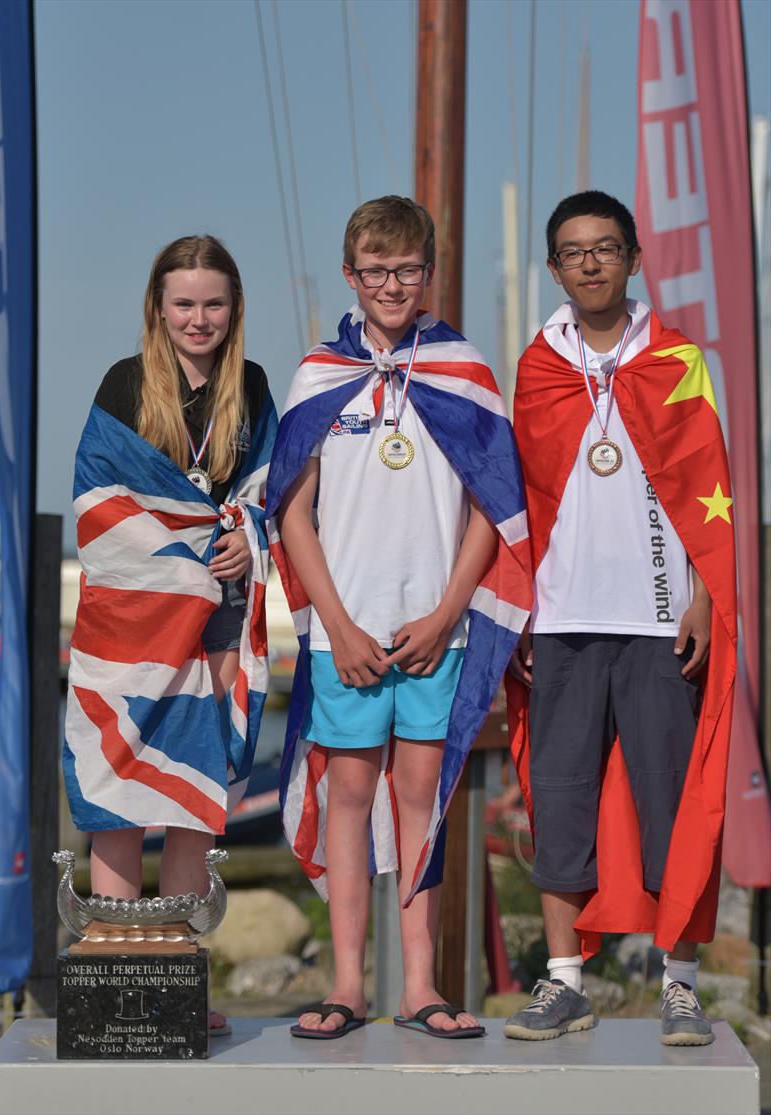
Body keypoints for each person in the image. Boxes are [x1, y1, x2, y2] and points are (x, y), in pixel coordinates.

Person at [266, 196, 531, 1039]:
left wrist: (451, 604)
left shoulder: (463, 369)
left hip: (435, 627)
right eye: (374, 271)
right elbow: (292, 513)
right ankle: (347, 980)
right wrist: (336, 624)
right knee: (348, 793)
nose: (390, 284)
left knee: (423, 792)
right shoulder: (318, 375)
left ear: (427, 275)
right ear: (351, 275)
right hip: (349, 628)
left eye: (406, 271)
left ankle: (420, 982)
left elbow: (494, 502)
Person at [503, 191, 736, 1046]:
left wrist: (707, 593)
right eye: (573, 250)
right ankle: (565, 981)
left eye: (606, 247)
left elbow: (710, 487)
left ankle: (679, 982)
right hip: (561, 615)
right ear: (555, 266)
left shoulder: (679, 359)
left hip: (660, 617)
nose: (590, 262)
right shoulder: (537, 364)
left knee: (670, 803)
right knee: (556, 799)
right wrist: (515, 604)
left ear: (634, 258)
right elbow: (516, 497)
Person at [63, 235, 278, 1036]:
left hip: (217, 619)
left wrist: (245, 535)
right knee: (119, 789)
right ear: (159, 305)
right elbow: (97, 505)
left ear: (235, 308)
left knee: (193, 793)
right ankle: (118, 981)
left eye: (214, 304)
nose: (199, 319)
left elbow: (272, 489)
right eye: (184, 303)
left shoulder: (249, 386)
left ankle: (176, 983)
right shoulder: (125, 383)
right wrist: (186, 543)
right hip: (132, 624)